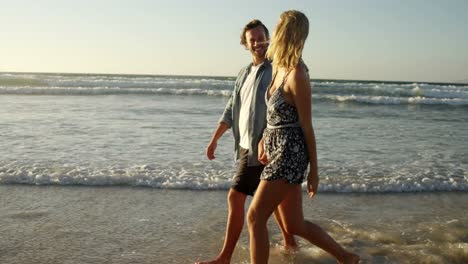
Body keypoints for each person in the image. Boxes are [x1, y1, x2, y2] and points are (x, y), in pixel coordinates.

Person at [246, 10, 360, 264]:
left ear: (286, 32)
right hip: (277, 149)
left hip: (290, 154)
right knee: (294, 224)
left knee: (254, 217)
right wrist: (265, 138)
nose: (273, 32)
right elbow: (276, 116)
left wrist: (314, 171)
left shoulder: (297, 73)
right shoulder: (277, 66)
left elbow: (307, 125)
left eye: (277, 27)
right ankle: (347, 257)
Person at [196, 19, 297, 264]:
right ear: (246, 44)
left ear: (268, 39)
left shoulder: (276, 68)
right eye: (252, 39)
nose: (257, 42)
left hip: (264, 147)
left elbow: (285, 105)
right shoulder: (243, 73)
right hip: (244, 146)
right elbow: (231, 108)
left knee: (236, 196)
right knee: (272, 203)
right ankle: (291, 243)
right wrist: (214, 139)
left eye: (261, 37)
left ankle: (225, 257)